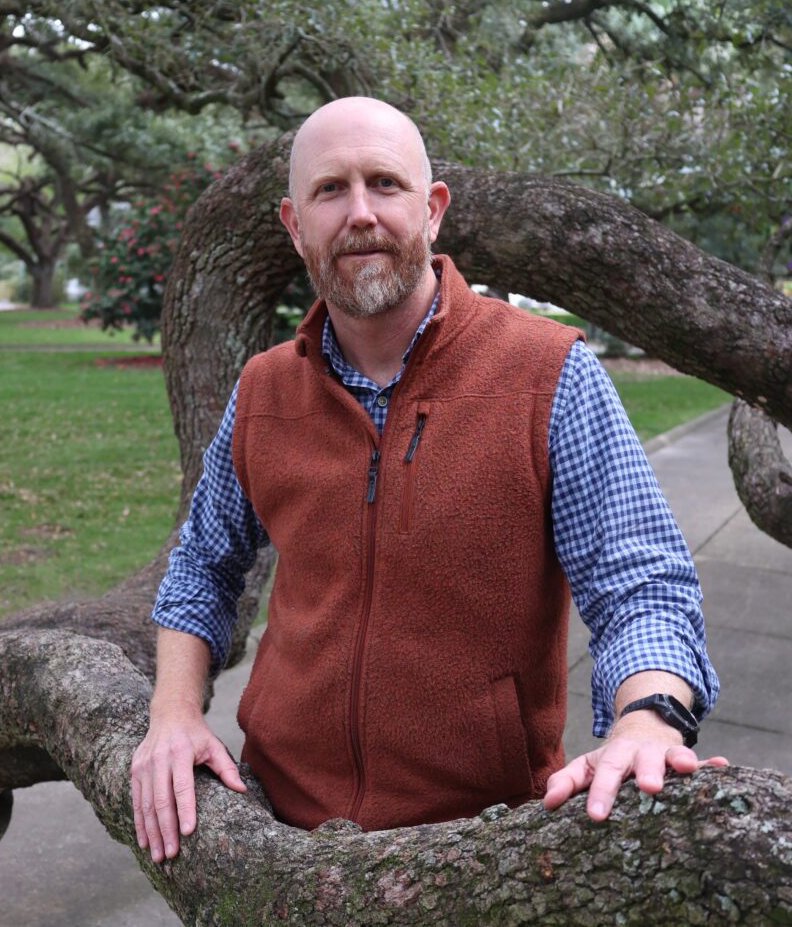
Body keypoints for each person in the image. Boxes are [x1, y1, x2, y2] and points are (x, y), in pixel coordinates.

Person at [130, 97, 725, 863]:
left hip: (479, 846)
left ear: (433, 209)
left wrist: (646, 719)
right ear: (294, 224)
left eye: (385, 183)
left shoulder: (549, 375)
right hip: (272, 825)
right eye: (330, 190)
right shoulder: (263, 389)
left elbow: (643, 584)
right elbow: (202, 568)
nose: (360, 213)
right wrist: (173, 711)